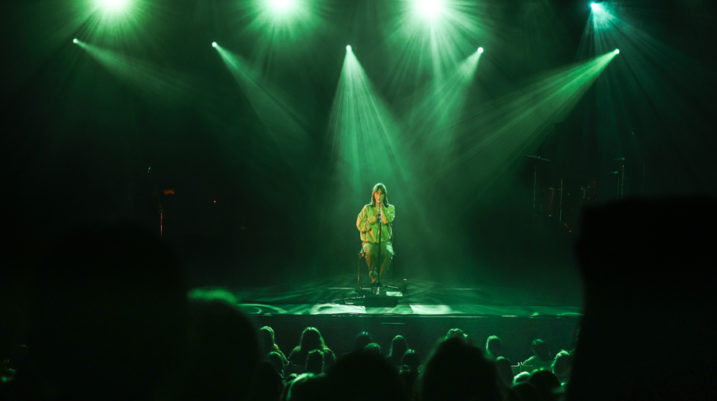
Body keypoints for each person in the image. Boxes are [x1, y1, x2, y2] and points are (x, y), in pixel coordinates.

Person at [356, 183, 396, 284]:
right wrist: (371, 221)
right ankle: (372, 272)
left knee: (389, 253)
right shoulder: (367, 208)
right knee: (371, 251)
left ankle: (377, 277)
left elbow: (387, 220)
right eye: (377, 193)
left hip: (385, 241)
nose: (379, 196)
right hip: (369, 241)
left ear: (385, 195)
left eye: (381, 193)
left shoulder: (390, 208)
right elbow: (359, 225)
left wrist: (382, 208)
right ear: (373, 194)